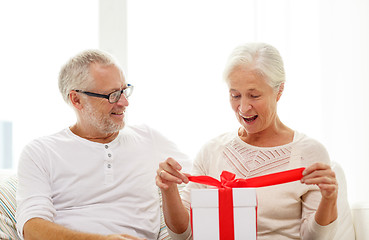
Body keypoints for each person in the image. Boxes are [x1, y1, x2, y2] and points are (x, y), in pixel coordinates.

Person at [156, 42, 339, 239]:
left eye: (254, 95)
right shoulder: (212, 151)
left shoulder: (309, 152)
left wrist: (329, 200)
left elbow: (315, 238)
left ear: (279, 91)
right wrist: (169, 190)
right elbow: (182, 236)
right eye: (235, 95)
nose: (243, 108)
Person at [16, 49, 189, 240]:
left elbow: (204, 182)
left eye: (124, 91)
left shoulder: (149, 139)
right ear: (76, 99)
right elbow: (31, 228)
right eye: (113, 95)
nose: (124, 102)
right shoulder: (41, 152)